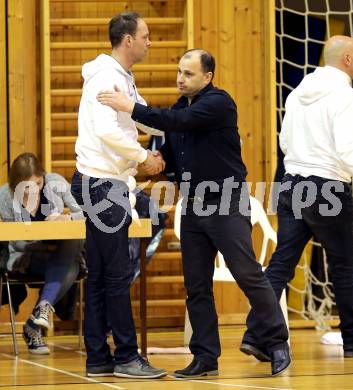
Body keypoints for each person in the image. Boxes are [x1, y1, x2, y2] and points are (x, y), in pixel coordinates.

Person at [96, 48, 291, 377]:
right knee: (196, 285)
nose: (180, 78)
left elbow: (179, 122)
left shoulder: (219, 103)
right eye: (179, 71)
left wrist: (130, 107)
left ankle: (276, 341)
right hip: (195, 206)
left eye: (188, 73)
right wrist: (147, 162)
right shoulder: (178, 110)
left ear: (207, 77)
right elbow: (171, 158)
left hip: (227, 202)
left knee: (248, 273)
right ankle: (205, 357)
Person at [241, 35, 353, 359]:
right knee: (345, 267)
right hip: (328, 186)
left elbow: (285, 143)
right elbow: (349, 152)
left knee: (280, 265)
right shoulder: (345, 96)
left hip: (293, 184)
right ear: (347, 59)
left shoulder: (297, 93)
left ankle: (256, 333)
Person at [70, 12, 166, 378]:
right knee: (116, 275)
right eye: (146, 35)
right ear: (128, 40)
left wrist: (167, 126)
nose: (149, 41)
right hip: (103, 185)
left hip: (99, 182)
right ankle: (126, 356)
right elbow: (107, 130)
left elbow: (137, 116)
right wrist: (144, 157)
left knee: (99, 275)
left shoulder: (121, 76)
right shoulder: (108, 76)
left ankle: (98, 358)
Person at [0, 152, 83, 354]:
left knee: (75, 242)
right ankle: (34, 324)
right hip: (27, 256)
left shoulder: (56, 183)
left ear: (43, 176)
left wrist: (67, 219)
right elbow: (17, 242)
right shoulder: (4, 195)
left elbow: (84, 213)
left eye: (38, 183)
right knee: (70, 266)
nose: (34, 190)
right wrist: (46, 244)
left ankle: (38, 315)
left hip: (59, 253)